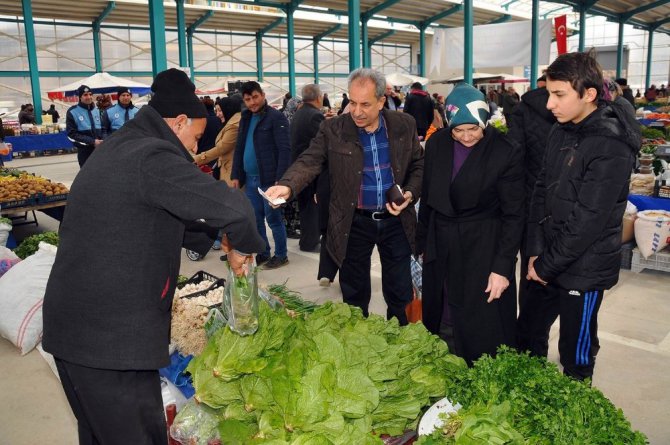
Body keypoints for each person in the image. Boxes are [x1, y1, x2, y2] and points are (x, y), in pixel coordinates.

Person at [42, 68, 265, 445]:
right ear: (178, 123)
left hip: (80, 333)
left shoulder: (123, 145)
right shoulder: (152, 155)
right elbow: (236, 209)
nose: (195, 149)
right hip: (108, 341)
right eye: (195, 138)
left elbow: (153, 216)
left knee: (100, 435)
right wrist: (243, 249)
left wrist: (217, 235)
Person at [265, 68, 423, 325]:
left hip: (396, 221)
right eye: (352, 102)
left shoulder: (403, 125)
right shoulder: (333, 129)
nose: (357, 111)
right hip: (353, 223)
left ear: (382, 101)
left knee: (399, 291)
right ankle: (357, 342)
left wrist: (409, 193)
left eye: (365, 104)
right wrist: (287, 185)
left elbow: (418, 165)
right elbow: (310, 160)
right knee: (354, 293)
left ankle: (402, 340)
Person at [519, 51, 641, 381]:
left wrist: (545, 265)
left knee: (576, 350)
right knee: (528, 331)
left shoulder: (610, 143)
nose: (549, 105)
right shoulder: (562, 129)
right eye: (548, 94)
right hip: (547, 257)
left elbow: (590, 217)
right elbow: (541, 191)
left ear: (588, 94)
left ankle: (577, 407)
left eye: (559, 95)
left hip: (583, 268)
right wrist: (533, 250)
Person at [416, 83, 524, 364]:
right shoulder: (438, 143)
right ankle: (445, 358)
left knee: (480, 318)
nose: (465, 136)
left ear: (485, 122)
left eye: (473, 129)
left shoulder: (504, 151)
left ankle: (480, 369)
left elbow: (514, 215)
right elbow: (428, 196)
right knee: (441, 305)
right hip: (441, 239)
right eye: (458, 130)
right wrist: (422, 242)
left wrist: (502, 267)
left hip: (483, 245)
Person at [507, 73, 556, 315]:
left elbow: (513, 159)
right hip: (562, 208)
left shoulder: (523, 109)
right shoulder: (576, 111)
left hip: (529, 205)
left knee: (531, 270)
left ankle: (530, 339)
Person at [231, 81, 291, 269]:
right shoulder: (246, 118)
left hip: (269, 180)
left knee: (273, 219)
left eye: (255, 97)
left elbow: (285, 150)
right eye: (248, 99)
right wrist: (236, 174)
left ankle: (281, 255)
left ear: (263, 95)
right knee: (256, 219)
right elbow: (239, 147)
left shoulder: (276, 118)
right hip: (250, 179)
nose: (252, 102)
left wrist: (280, 179)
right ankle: (264, 252)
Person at [195, 95, 244, 253]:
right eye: (216, 110)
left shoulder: (234, 125)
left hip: (231, 173)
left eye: (220, 110)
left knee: (231, 211)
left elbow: (221, 148)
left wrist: (199, 159)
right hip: (226, 170)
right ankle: (230, 245)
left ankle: (235, 246)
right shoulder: (230, 122)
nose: (218, 114)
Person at [290, 84, 325, 252]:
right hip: (310, 168)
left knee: (305, 206)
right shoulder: (315, 116)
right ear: (319, 97)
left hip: (298, 165)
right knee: (312, 205)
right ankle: (310, 242)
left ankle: (307, 240)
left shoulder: (299, 113)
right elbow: (323, 142)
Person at [66, 85, 103, 167]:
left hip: (101, 151)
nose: (89, 97)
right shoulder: (73, 112)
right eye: (85, 95)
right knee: (87, 178)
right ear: (80, 97)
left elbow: (104, 129)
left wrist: (103, 139)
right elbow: (71, 134)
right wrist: (92, 142)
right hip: (85, 152)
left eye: (90, 94)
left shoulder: (97, 110)